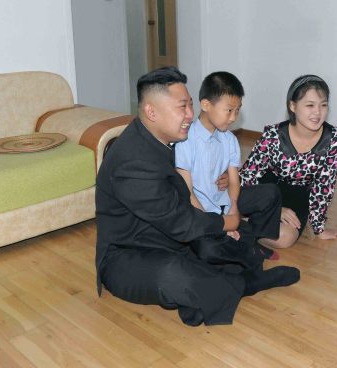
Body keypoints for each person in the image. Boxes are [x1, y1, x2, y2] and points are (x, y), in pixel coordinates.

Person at [95, 67, 299, 327]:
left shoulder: (159, 138)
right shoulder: (132, 162)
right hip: (127, 255)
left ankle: (216, 286)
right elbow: (180, 222)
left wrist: (225, 219)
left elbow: (184, 202)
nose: (191, 115)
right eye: (182, 107)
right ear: (151, 111)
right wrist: (227, 222)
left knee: (214, 244)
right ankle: (243, 284)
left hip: (163, 236)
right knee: (176, 274)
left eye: (190, 105)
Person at [175, 71, 282, 255]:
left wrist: (233, 210)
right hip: (199, 210)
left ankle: (251, 238)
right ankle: (240, 239)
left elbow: (234, 181)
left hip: (223, 203)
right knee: (208, 247)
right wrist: (219, 224)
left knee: (270, 192)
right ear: (206, 105)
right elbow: (187, 193)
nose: (233, 117)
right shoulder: (185, 139)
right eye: (229, 110)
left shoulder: (230, 139)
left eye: (238, 110)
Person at [240, 75, 337, 248]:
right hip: (266, 189)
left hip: (299, 194)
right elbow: (248, 176)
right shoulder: (273, 134)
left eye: (323, 105)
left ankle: (242, 227)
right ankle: (240, 223)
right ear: (292, 106)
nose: (317, 112)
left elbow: (324, 185)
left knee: (284, 238)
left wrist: (319, 229)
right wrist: (275, 210)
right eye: (310, 105)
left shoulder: (333, 138)